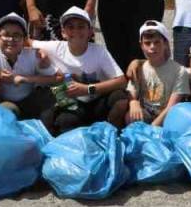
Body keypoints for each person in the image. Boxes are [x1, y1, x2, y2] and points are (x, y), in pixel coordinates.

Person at [33, 7, 128, 135]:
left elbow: (121, 81)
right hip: (73, 105)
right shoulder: (55, 47)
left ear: (90, 32)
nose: (76, 31)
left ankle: (114, 134)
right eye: (70, 27)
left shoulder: (99, 51)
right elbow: (25, 42)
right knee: (65, 121)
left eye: (81, 26)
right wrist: (40, 51)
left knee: (120, 97)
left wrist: (87, 89)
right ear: (63, 32)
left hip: (97, 101)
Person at [0, 12, 57, 119]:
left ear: (24, 40)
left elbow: (57, 78)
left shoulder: (34, 55)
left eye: (17, 35)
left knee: (48, 96)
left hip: (29, 99)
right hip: (3, 102)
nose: (11, 39)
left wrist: (25, 79)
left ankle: (46, 132)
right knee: (9, 109)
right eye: (5, 35)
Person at [113, 21, 189, 128]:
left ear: (166, 43)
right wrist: (133, 102)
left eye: (157, 42)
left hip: (168, 117)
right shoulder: (138, 68)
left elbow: (172, 106)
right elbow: (132, 95)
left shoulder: (180, 71)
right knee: (130, 116)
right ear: (141, 45)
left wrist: (152, 129)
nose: (152, 47)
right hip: (146, 114)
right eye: (147, 43)